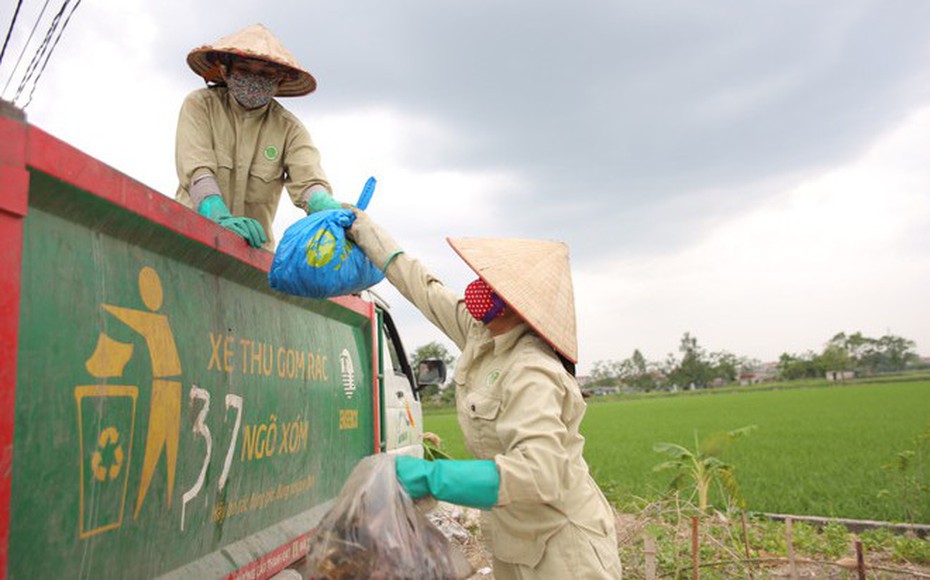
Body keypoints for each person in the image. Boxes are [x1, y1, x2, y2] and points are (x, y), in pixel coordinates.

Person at [347, 211, 623, 579]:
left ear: (513, 301)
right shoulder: (482, 336)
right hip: (516, 541)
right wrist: (360, 227)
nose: (477, 287)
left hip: (563, 554)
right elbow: (423, 288)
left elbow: (540, 474)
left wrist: (432, 477)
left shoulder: (531, 371)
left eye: (488, 283)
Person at [175, 24, 342, 250]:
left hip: (251, 252)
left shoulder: (289, 130)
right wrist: (214, 211)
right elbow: (196, 169)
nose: (254, 78)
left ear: (279, 80)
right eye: (244, 69)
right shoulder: (201, 105)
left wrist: (326, 207)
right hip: (190, 238)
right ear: (226, 71)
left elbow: (308, 183)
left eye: (265, 74)